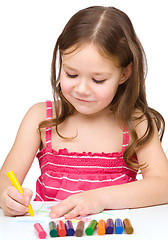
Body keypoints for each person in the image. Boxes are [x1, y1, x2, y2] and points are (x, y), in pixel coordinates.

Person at [0, 6, 168, 218]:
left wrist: (99, 198)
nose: (82, 89)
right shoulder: (42, 117)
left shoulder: (136, 122)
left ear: (125, 73)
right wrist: (6, 195)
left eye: (98, 80)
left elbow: (163, 186)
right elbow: (6, 177)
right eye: (71, 74)